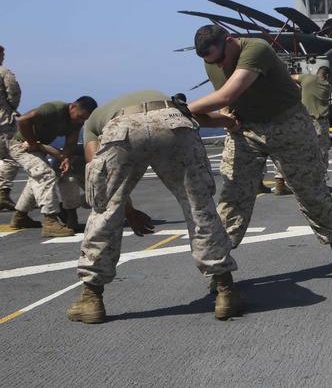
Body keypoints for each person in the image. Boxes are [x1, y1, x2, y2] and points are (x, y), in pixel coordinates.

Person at [187, 25, 332, 278]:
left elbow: (227, 94)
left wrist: (182, 109)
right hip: (246, 129)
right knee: (232, 198)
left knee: (311, 191)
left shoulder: (256, 48)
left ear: (230, 41)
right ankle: (219, 272)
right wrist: (226, 117)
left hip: (288, 124)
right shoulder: (213, 60)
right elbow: (225, 98)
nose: (219, 65)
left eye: (221, 58)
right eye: (212, 61)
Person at [66, 90, 244, 324]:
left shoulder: (94, 120)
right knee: (199, 206)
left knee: (105, 210)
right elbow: (201, 117)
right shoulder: (161, 98)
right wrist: (230, 121)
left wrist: (128, 212)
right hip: (172, 121)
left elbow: (98, 175)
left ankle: (91, 299)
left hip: (123, 126)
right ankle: (225, 291)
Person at [7, 96, 97, 237]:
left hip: (39, 148)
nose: (80, 121)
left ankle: (21, 216)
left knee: (63, 175)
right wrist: (31, 143)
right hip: (20, 145)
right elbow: (23, 120)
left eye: (84, 119)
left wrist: (66, 159)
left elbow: (71, 143)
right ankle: (50, 221)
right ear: (72, 106)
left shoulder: (76, 122)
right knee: (45, 174)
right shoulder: (55, 109)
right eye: (80, 117)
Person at [285, 65, 332, 196]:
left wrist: (299, 87)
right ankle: (321, 182)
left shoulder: (307, 79)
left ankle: (286, 181)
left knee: (299, 149)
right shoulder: (327, 86)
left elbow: (290, 77)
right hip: (320, 121)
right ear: (327, 75)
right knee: (322, 151)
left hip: (304, 119)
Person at [0, 45, 22, 212]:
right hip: (3, 122)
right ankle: (3, 193)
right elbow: (13, 93)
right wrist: (11, 108)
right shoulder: (3, 72)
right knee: (11, 157)